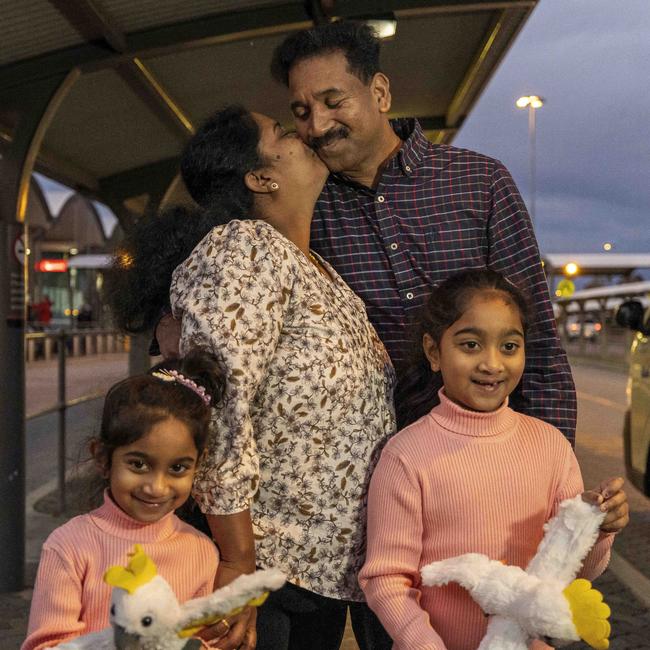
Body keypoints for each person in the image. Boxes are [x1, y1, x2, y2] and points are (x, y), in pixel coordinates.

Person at [114, 105, 396, 650]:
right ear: (260, 176)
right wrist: (238, 561)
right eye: (284, 132)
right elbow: (217, 403)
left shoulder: (317, 269)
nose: (306, 133)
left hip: (319, 573)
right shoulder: (243, 247)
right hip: (268, 573)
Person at [267, 20, 578, 443]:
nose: (318, 126)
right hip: (373, 465)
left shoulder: (479, 182)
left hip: (493, 450)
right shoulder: (306, 208)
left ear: (379, 93)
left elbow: (537, 337)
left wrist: (553, 466)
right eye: (301, 112)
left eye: (333, 101)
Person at [357, 269, 629, 650]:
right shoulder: (406, 455)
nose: (492, 364)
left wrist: (597, 528)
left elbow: (569, 573)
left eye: (509, 346)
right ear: (434, 352)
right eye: (470, 345)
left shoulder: (550, 446)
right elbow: (386, 579)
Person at [22, 352, 222, 650]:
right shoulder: (68, 547)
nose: (156, 487)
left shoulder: (202, 552)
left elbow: (201, 639)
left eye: (178, 468)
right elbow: (46, 644)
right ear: (103, 458)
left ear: (198, 463)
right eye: (138, 464)